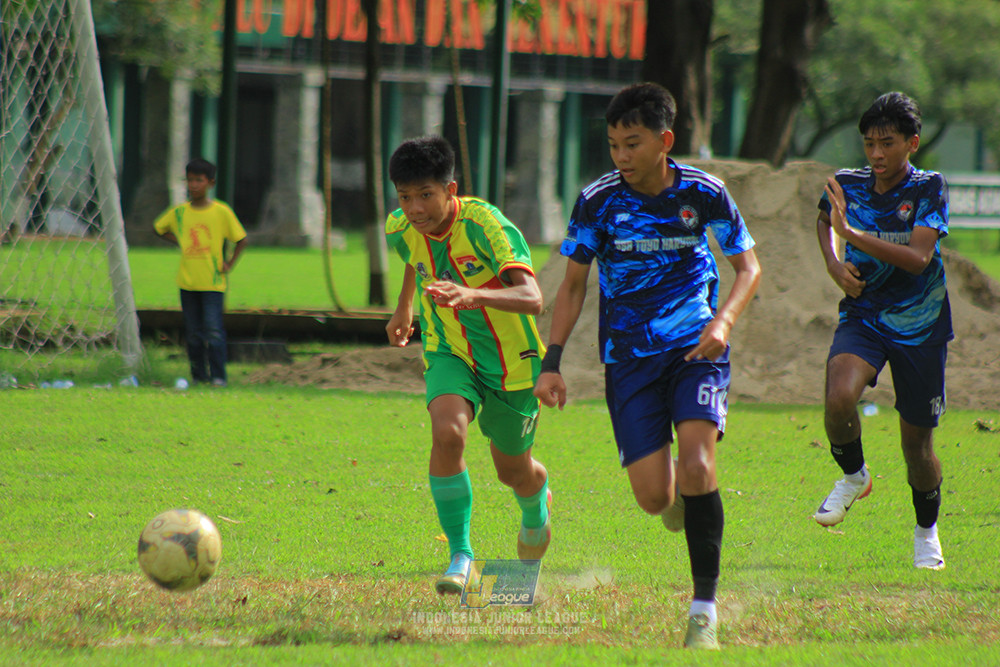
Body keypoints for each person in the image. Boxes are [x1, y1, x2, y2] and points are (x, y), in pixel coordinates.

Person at [534, 82, 761, 650]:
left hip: (696, 351)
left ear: (665, 140)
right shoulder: (598, 200)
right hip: (629, 360)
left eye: (632, 144)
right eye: (613, 145)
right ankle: (680, 497)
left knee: (699, 463)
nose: (621, 157)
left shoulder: (705, 193)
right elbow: (574, 284)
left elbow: (748, 268)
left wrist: (722, 324)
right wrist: (552, 361)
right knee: (654, 499)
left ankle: (703, 611)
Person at [384, 136, 551, 595]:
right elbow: (412, 257)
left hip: (512, 365)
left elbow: (532, 299)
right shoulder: (399, 226)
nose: (414, 208)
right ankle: (461, 554)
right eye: (404, 196)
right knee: (447, 433)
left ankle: (537, 506)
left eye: (425, 195)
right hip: (448, 350)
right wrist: (405, 308)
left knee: (513, 472)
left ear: (450, 189)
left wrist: (473, 293)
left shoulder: (486, 226)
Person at [813, 92, 951, 572]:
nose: (875, 154)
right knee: (838, 397)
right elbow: (823, 220)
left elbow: (918, 259)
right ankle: (854, 476)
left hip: (921, 324)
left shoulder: (929, 188)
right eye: (869, 143)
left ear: (911, 143)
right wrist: (835, 264)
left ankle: (925, 532)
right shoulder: (847, 184)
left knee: (917, 446)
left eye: (886, 144)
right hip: (865, 314)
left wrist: (852, 237)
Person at [153, 158, 247, 387]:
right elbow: (159, 228)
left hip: (213, 283)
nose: (193, 185)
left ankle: (218, 377)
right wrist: (180, 242)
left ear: (210, 183)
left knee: (213, 331)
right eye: (190, 180)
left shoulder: (221, 212)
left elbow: (241, 239)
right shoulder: (179, 212)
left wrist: (229, 263)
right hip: (187, 282)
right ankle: (198, 376)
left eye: (199, 180)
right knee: (193, 334)